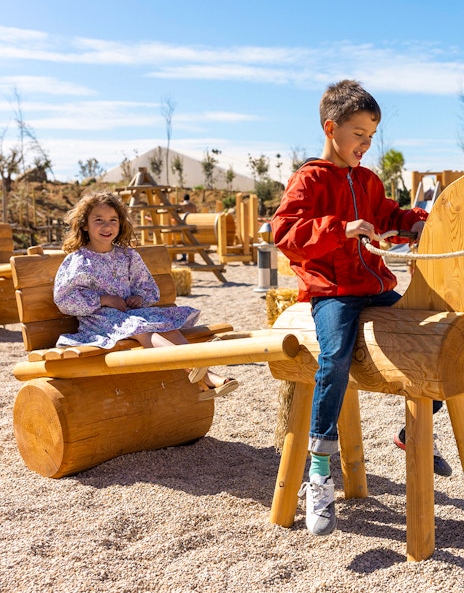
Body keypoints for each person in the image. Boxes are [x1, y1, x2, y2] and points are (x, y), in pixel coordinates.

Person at [271, 79, 450, 537]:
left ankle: (412, 433)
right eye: (358, 134)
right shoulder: (309, 178)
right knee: (334, 358)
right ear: (331, 128)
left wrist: (419, 224)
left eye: (372, 136)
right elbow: (285, 233)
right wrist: (340, 228)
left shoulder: (369, 180)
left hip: (373, 285)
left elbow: (390, 215)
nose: (366, 144)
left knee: (434, 334)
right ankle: (319, 467)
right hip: (331, 290)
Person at [53, 191, 238, 401]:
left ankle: (204, 380)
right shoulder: (78, 261)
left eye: (113, 220)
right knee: (143, 330)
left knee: (168, 327)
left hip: (130, 315)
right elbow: (65, 299)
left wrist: (138, 298)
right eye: (99, 220)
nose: (107, 226)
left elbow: (147, 288)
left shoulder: (127, 256)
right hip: (99, 321)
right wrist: (103, 299)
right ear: (84, 224)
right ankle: (202, 371)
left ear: (121, 223)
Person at [179, 194, 197, 262]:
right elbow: (196, 214)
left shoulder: (181, 205)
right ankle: (191, 257)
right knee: (191, 240)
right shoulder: (193, 206)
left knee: (183, 240)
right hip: (192, 223)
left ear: (183, 198)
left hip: (183, 223)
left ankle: (184, 256)